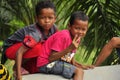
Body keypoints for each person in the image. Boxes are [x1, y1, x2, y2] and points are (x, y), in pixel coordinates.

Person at [1, 0, 57, 80]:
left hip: (25, 50)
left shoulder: (54, 28)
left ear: (55, 18)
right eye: (43, 18)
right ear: (36, 18)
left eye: (50, 18)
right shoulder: (35, 33)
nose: (47, 21)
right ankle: (17, 67)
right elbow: (19, 52)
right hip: (11, 49)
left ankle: (27, 67)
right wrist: (18, 74)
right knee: (39, 48)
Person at [37, 11, 94, 80]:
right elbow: (51, 58)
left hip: (56, 62)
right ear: (69, 26)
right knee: (79, 72)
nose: (80, 32)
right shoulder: (64, 36)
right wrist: (70, 48)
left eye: (83, 29)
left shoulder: (77, 37)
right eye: (77, 28)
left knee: (78, 69)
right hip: (45, 64)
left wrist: (80, 65)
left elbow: (68, 57)